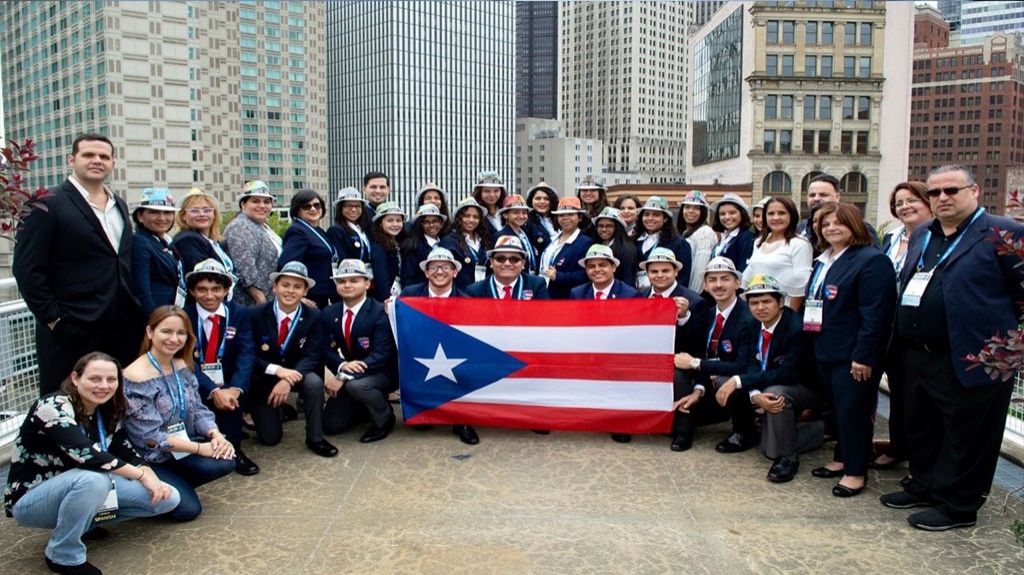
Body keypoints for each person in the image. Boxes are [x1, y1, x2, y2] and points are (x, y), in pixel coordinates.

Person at [881, 165, 1024, 531]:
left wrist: (1004, 346)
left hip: (977, 357)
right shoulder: (923, 234)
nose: (942, 198)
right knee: (923, 425)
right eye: (935, 192)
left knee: (969, 434)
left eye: (951, 191)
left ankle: (958, 506)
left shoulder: (1003, 233)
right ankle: (925, 484)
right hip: (918, 352)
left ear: (974, 192)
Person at [5, 352, 179, 575]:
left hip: (83, 487)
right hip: (32, 498)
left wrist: (149, 472)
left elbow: (121, 445)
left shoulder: (104, 408)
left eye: (111, 379)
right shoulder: (52, 406)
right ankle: (62, 554)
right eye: (95, 379)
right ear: (75, 378)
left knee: (167, 498)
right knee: (93, 479)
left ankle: (84, 523)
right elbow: (86, 454)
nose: (104, 386)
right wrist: (140, 475)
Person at [13, 133, 141, 395]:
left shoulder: (120, 205)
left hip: (119, 326)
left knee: (113, 400)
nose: (97, 161)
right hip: (71, 327)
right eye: (88, 155)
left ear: (112, 163)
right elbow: (27, 269)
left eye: (104, 156)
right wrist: (54, 319)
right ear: (72, 160)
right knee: (65, 402)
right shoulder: (46, 203)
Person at [804, 202, 895, 498]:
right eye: (825, 224)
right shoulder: (824, 259)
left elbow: (876, 315)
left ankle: (855, 472)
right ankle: (842, 459)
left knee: (853, 412)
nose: (830, 228)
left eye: (838, 223)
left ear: (854, 225)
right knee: (839, 410)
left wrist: (864, 356)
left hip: (852, 354)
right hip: (824, 348)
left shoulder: (870, 260)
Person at [123, 307, 237, 521]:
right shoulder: (136, 377)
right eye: (166, 331)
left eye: (181, 333)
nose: (174, 339)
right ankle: (143, 489)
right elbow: (149, 438)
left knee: (226, 458)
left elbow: (197, 410)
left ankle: (173, 484)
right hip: (151, 456)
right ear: (150, 332)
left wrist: (216, 435)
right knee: (188, 511)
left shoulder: (182, 364)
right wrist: (199, 448)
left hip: (180, 448)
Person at [735, 275, 823, 483]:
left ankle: (788, 457)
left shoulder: (795, 327)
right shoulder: (752, 324)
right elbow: (751, 363)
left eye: (766, 301)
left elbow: (789, 374)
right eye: (754, 303)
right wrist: (755, 395)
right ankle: (809, 432)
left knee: (775, 394)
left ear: (781, 302)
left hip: (805, 387)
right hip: (771, 381)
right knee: (766, 447)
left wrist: (741, 382)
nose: (760, 307)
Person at [872, 181, 932, 471]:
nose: (905, 206)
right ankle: (898, 446)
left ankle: (918, 455)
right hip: (889, 326)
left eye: (912, 200)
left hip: (918, 329)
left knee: (916, 396)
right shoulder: (892, 238)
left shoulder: (937, 238)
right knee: (897, 390)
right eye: (899, 202)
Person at [249, 262, 338, 457]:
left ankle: (315, 437)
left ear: (305, 291)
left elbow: (312, 355)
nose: (290, 291)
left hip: (298, 373)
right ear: (275, 287)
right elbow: (248, 354)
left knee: (314, 383)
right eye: (285, 285)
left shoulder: (314, 316)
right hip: (264, 377)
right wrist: (277, 371)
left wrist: (287, 379)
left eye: (297, 287)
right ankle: (281, 411)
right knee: (270, 439)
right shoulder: (256, 314)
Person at [182, 259, 259, 477]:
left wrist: (235, 388)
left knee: (231, 402)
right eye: (202, 290)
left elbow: (246, 352)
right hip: (197, 381)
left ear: (226, 289)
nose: (209, 295)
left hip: (229, 380)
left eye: (216, 289)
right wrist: (212, 390)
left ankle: (234, 450)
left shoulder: (239, 313)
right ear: (192, 291)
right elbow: (185, 359)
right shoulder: (184, 316)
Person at [670, 257, 756, 453]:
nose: (718, 285)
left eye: (725, 279)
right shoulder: (708, 314)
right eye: (713, 280)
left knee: (730, 379)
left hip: (741, 380)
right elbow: (703, 353)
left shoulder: (748, 317)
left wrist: (695, 363)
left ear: (737, 283)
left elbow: (742, 365)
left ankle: (744, 431)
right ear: (705, 286)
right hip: (710, 381)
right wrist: (698, 390)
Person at [397, 247, 481, 445]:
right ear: (426, 272)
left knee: (468, 368)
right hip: (420, 354)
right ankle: (426, 411)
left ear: (455, 272)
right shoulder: (410, 295)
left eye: (445, 267)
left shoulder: (466, 301)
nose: (440, 271)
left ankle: (463, 421)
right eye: (434, 267)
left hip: (455, 356)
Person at [570, 244, 641, 444]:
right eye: (591, 266)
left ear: (614, 267)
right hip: (587, 349)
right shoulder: (577, 293)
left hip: (618, 352)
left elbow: (632, 332)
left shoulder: (629, 294)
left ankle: (620, 422)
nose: (597, 270)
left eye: (603, 265)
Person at [321, 260, 399, 443]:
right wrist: (342, 365)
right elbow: (324, 348)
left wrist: (343, 375)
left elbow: (382, 354)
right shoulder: (329, 312)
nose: (347, 285)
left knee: (357, 386)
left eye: (354, 280)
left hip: (381, 372)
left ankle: (385, 419)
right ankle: (365, 406)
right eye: (342, 281)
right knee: (331, 426)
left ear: (367, 283)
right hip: (352, 371)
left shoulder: (380, 312)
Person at [742, 197, 813, 311]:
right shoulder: (759, 242)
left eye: (781, 213)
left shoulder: (799, 244)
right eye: (771, 213)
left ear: (792, 215)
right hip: (758, 311)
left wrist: (790, 317)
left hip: (784, 311)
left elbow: (800, 286)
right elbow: (749, 276)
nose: (776, 218)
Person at [223, 180, 281, 306]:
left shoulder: (261, 226)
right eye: (255, 201)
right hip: (251, 304)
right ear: (243, 204)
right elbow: (246, 272)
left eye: (266, 202)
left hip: (268, 300)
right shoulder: (240, 227)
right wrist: (262, 303)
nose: (262, 205)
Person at [130, 188, 186, 319]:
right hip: (156, 316)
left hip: (171, 312)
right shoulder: (140, 242)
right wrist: (155, 322)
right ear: (140, 216)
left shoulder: (165, 241)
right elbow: (141, 291)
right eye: (154, 212)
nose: (162, 218)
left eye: (167, 212)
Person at [278, 189, 338, 309]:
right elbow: (286, 265)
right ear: (298, 210)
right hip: (309, 297)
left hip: (323, 295)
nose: (313, 209)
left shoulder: (318, 230)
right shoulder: (297, 231)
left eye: (317, 205)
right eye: (306, 206)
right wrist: (300, 297)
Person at [171, 188, 235, 295]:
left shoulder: (215, 242)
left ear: (214, 214)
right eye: (194, 210)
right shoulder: (188, 240)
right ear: (183, 216)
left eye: (207, 210)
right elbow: (201, 280)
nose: (201, 214)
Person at [798, 173, 878, 250]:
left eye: (823, 195)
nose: (816, 199)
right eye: (812, 195)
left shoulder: (859, 227)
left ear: (837, 197)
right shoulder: (801, 228)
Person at [539, 197, 595, 299]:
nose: (565, 218)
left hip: (566, 298)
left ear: (580, 217)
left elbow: (587, 274)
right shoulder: (552, 239)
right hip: (545, 294)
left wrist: (559, 276)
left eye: (570, 214)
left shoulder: (585, 243)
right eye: (561, 215)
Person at [465, 236, 550, 300]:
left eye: (514, 259)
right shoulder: (475, 291)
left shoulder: (536, 285)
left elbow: (544, 318)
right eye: (500, 259)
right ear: (491, 262)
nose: (507, 263)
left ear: (523, 263)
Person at [635, 196, 693, 289]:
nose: (650, 218)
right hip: (639, 295)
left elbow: (683, 277)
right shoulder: (635, 240)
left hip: (666, 297)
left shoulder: (679, 243)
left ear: (665, 219)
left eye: (656, 215)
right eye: (646, 214)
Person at [440, 197, 493, 291]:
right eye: (467, 216)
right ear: (459, 218)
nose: (471, 220)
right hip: (460, 294)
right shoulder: (449, 241)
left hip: (483, 292)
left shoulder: (484, 240)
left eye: (475, 217)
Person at [676, 191, 719, 293]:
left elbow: (700, 271)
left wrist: (691, 297)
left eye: (696, 208)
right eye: (687, 207)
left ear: (703, 212)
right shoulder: (686, 233)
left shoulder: (704, 233)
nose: (691, 211)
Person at [367, 201, 408, 301]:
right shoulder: (378, 247)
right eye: (390, 220)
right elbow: (382, 280)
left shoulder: (398, 243)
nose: (395, 224)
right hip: (385, 301)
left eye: (398, 220)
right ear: (380, 223)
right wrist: (387, 302)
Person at [401, 204, 447, 288]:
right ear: (420, 224)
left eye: (435, 221)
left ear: (441, 224)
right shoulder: (413, 246)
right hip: (421, 295)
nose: (431, 225)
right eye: (426, 222)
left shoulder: (446, 243)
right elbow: (408, 277)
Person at [593, 207, 639, 287]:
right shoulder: (598, 245)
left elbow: (628, 280)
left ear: (618, 228)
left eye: (609, 226)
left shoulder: (626, 249)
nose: (604, 229)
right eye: (600, 226)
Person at [709, 193, 755, 272]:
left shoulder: (746, 238)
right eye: (722, 214)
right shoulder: (725, 237)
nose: (727, 217)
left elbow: (743, 270)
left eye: (732, 213)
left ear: (742, 214)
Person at [327, 187, 373, 264]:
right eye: (348, 206)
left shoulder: (364, 229)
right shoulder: (335, 231)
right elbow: (341, 261)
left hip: (369, 274)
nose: (354, 209)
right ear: (340, 208)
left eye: (358, 206)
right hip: (351, 274)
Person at [497, 195, 540, 273]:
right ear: (505, 215)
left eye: (524, 213)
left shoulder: (525, 233)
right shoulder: (501, 236)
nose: (521, 216)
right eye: (516, 213)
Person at [526, 181, 560, 253]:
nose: (542, 202)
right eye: (538, 198)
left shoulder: (560, 218)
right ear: (531, 200)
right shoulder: (526, 221)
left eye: (546, 199)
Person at [471, 171, 508, 236]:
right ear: (479, 192)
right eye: (487, 191)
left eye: (496, 191)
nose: (492, 195)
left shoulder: (507, 210)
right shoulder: (474, 213)